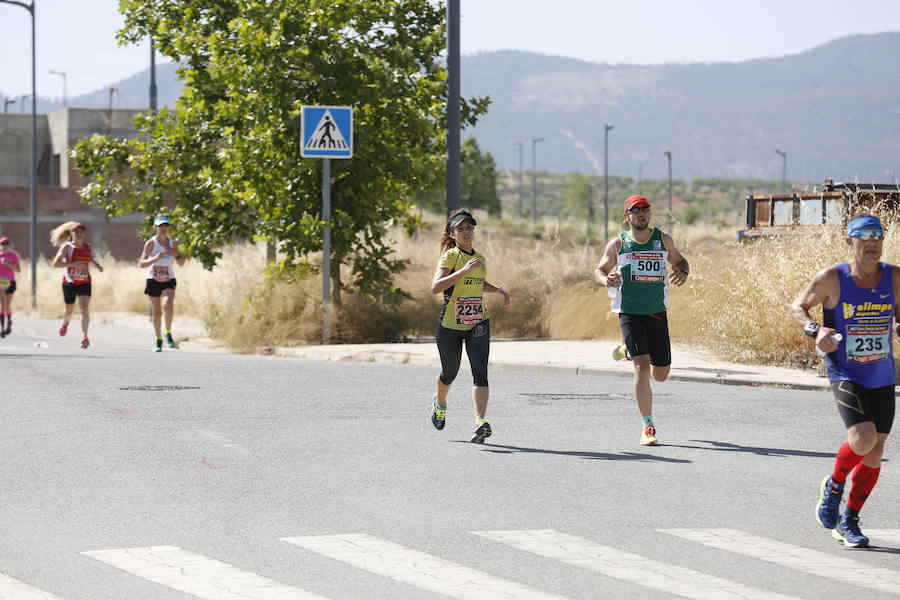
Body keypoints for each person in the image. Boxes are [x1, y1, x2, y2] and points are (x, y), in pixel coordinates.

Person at [790, 212, 897, 549]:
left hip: (881, 370)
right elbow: (798, 307)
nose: (872, 243)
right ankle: (835, 485)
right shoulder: (832, 279)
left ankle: (849, 520)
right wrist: (815, 329)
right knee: (863, 439)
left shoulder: (894, 277)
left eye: (877, 236)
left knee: (876, 449)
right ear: (849, 240)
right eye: (864, 236)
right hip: (846, 369)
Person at [594, 195, 689, 446]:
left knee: (661, 375)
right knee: (642, 367)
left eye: (645, 210)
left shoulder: (663, 240)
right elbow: (599, 270)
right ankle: (648, 425)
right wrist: (606, 280)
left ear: (649, 214)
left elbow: (681, 261)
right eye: (635, 212)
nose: (641, 215)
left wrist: (683, 272)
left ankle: (627, 348)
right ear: (627, 217)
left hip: (657, 312)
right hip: (630, 311)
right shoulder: (618, 244)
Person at [430, 209, 510, 443]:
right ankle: (440, 404)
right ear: (452, 233)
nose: (467, 232)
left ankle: (479, 422)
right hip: (450, 325)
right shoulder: (450, 257)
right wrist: (462, 271)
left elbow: (476, 283)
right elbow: (436, 287)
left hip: (478, 322)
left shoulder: (480, 258)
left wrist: (497, 290)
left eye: (470, 227)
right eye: (461, 228)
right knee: (449, 372)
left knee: (480, 372)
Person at [51, 221, 103, 349]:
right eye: (76, 232)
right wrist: (73, 264)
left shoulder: (87, 247)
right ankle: (65, 322)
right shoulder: (67, 248)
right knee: (69, 309)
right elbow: (55, 263)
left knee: (84, 309)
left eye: (81, 232)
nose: (79, 234)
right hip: (70, 282)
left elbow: (88, 258)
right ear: (71, 233)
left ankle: (84, 336)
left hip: (85, 281)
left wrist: (96, 265)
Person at [139, 215, 186, 352]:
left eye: (165, 225)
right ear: (155, 227)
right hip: (153, 279)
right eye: (160, 226)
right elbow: (141, 264)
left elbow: (181, 262)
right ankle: (158, 339)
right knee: (157, 313)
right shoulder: (151, 243)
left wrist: (175, 254)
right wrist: (155, 258)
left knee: (168, 305)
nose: (163, 228)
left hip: (168, 278)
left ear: (169, 227)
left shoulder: (173, 243)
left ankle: (168, 333)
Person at [0, 236, 21, 338]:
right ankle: (2, 328)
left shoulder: (13, 256)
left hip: (11, 282)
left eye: (6, 244)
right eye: (2, 244)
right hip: (1, 283)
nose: (4, 246)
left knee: (7, 306)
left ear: (9, 245)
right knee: (3, 305)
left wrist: (8, 264)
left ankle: (9, 323)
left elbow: (18, 270)